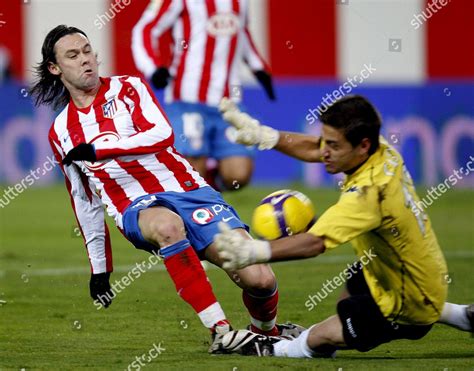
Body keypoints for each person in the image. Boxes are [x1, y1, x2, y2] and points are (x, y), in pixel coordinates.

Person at [29, 25, 299, 354]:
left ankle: (265, 332)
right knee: (167, 226)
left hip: (188, 191)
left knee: (260, 279)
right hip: (135, 207)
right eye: (73, 55)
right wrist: (100, 269)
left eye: (87, 51)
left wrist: (100, 151)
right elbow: (84, 201)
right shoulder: (60, 131)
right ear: (56, 69)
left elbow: (162, 135)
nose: (85, 60)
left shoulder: (128, 88)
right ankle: (221, 330)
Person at [213, 96, 474, 357]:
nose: (325, 151)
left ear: (362, 146)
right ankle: (461, 315)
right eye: (325, 140)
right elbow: (314, 148)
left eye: (334, 145)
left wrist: (254, 252)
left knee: (317, 339)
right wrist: (264, 135)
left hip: (406, 304)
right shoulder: (380, 149)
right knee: (355, 280)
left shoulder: (369, 194)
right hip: (406, 267)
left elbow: (314, 243)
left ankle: (270, 348)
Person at [132, 0, 275, 191]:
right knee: (192, 168)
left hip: (228, 102)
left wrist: (259, 68)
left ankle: (205, 191)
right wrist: (153, 68)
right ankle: (198, 201)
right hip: (186, 99)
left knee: (239, 174)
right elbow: (145, 29)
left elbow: (243, 32)